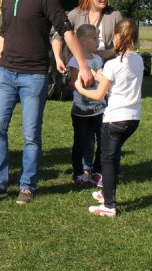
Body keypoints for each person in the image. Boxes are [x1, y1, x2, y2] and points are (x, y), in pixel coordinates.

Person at [0, 0, 93, 205]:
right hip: (6, 75)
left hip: (33, 77)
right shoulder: (8, 0)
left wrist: (83, 66)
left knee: (31, 134)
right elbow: (3, 35)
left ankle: (27, 186)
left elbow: (67, 31)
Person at [75, 19, 142, 217]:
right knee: (112, 157)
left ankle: (109, 205)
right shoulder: (137, 60)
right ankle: (106, 193)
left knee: (107, 161)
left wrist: (79, 88)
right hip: (133, 118)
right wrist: (100, 76)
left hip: (114, 120)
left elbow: (98, 95)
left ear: (118, 37)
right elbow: (117, 81)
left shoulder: (113, 64)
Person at [52, 0, 124, 70]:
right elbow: (57, 36)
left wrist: (108, 53)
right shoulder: (76, 14)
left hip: (107, 69)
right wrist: (58, 58)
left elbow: (125, 41)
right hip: (80, 68)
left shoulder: (115, 15)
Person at [67, 24, 105, 187]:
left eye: (97, 37)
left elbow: (103, 81)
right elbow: (78, 84)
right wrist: (96, 77)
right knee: (80, 142)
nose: (98, 41)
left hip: (99, 109)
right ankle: (78, 173)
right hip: (81, 111)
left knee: (103, 141)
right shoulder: (75, 61)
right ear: (81, 40)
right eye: (94, 38)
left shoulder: (98, 59)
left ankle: (97, 172)